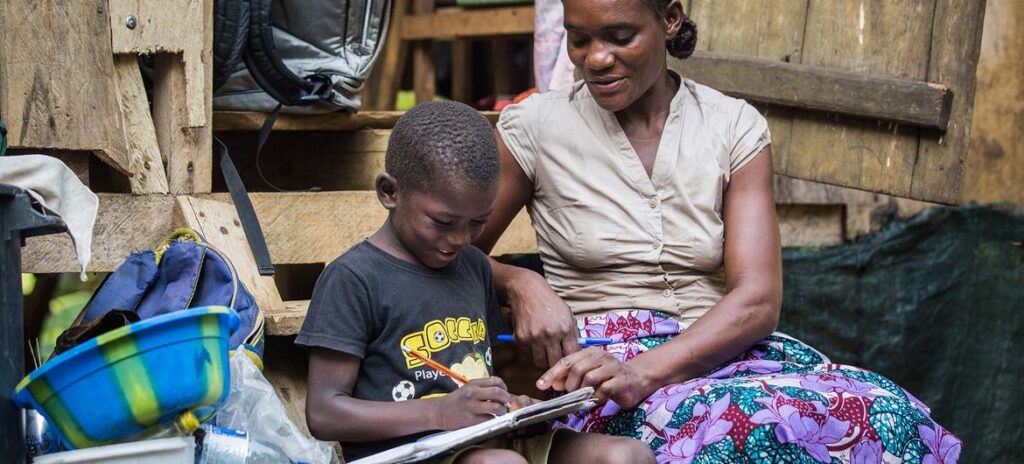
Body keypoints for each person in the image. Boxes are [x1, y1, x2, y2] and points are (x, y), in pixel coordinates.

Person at [475, 0, 962, 462]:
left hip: (721, 353)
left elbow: (756, 298)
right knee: (752, 428)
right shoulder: (535, 129)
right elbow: (447, 252)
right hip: (598, 372)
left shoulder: (732, 126)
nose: (597, 58)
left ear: (669, 19)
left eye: (621, 37)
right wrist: (521, 282)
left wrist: (643, 372)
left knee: (888, 416)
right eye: (579, 40)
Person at [297, 102, 654, 464]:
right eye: (443, 221)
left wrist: (513, 408)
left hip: (482, 443)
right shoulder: (354, 279)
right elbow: (325, 413)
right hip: (412, 452)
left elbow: (474, 372)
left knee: (626, 456)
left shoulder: (472, 267)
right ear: (390, 192)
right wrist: (439, 413)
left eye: (477, 223)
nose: (461, 239)